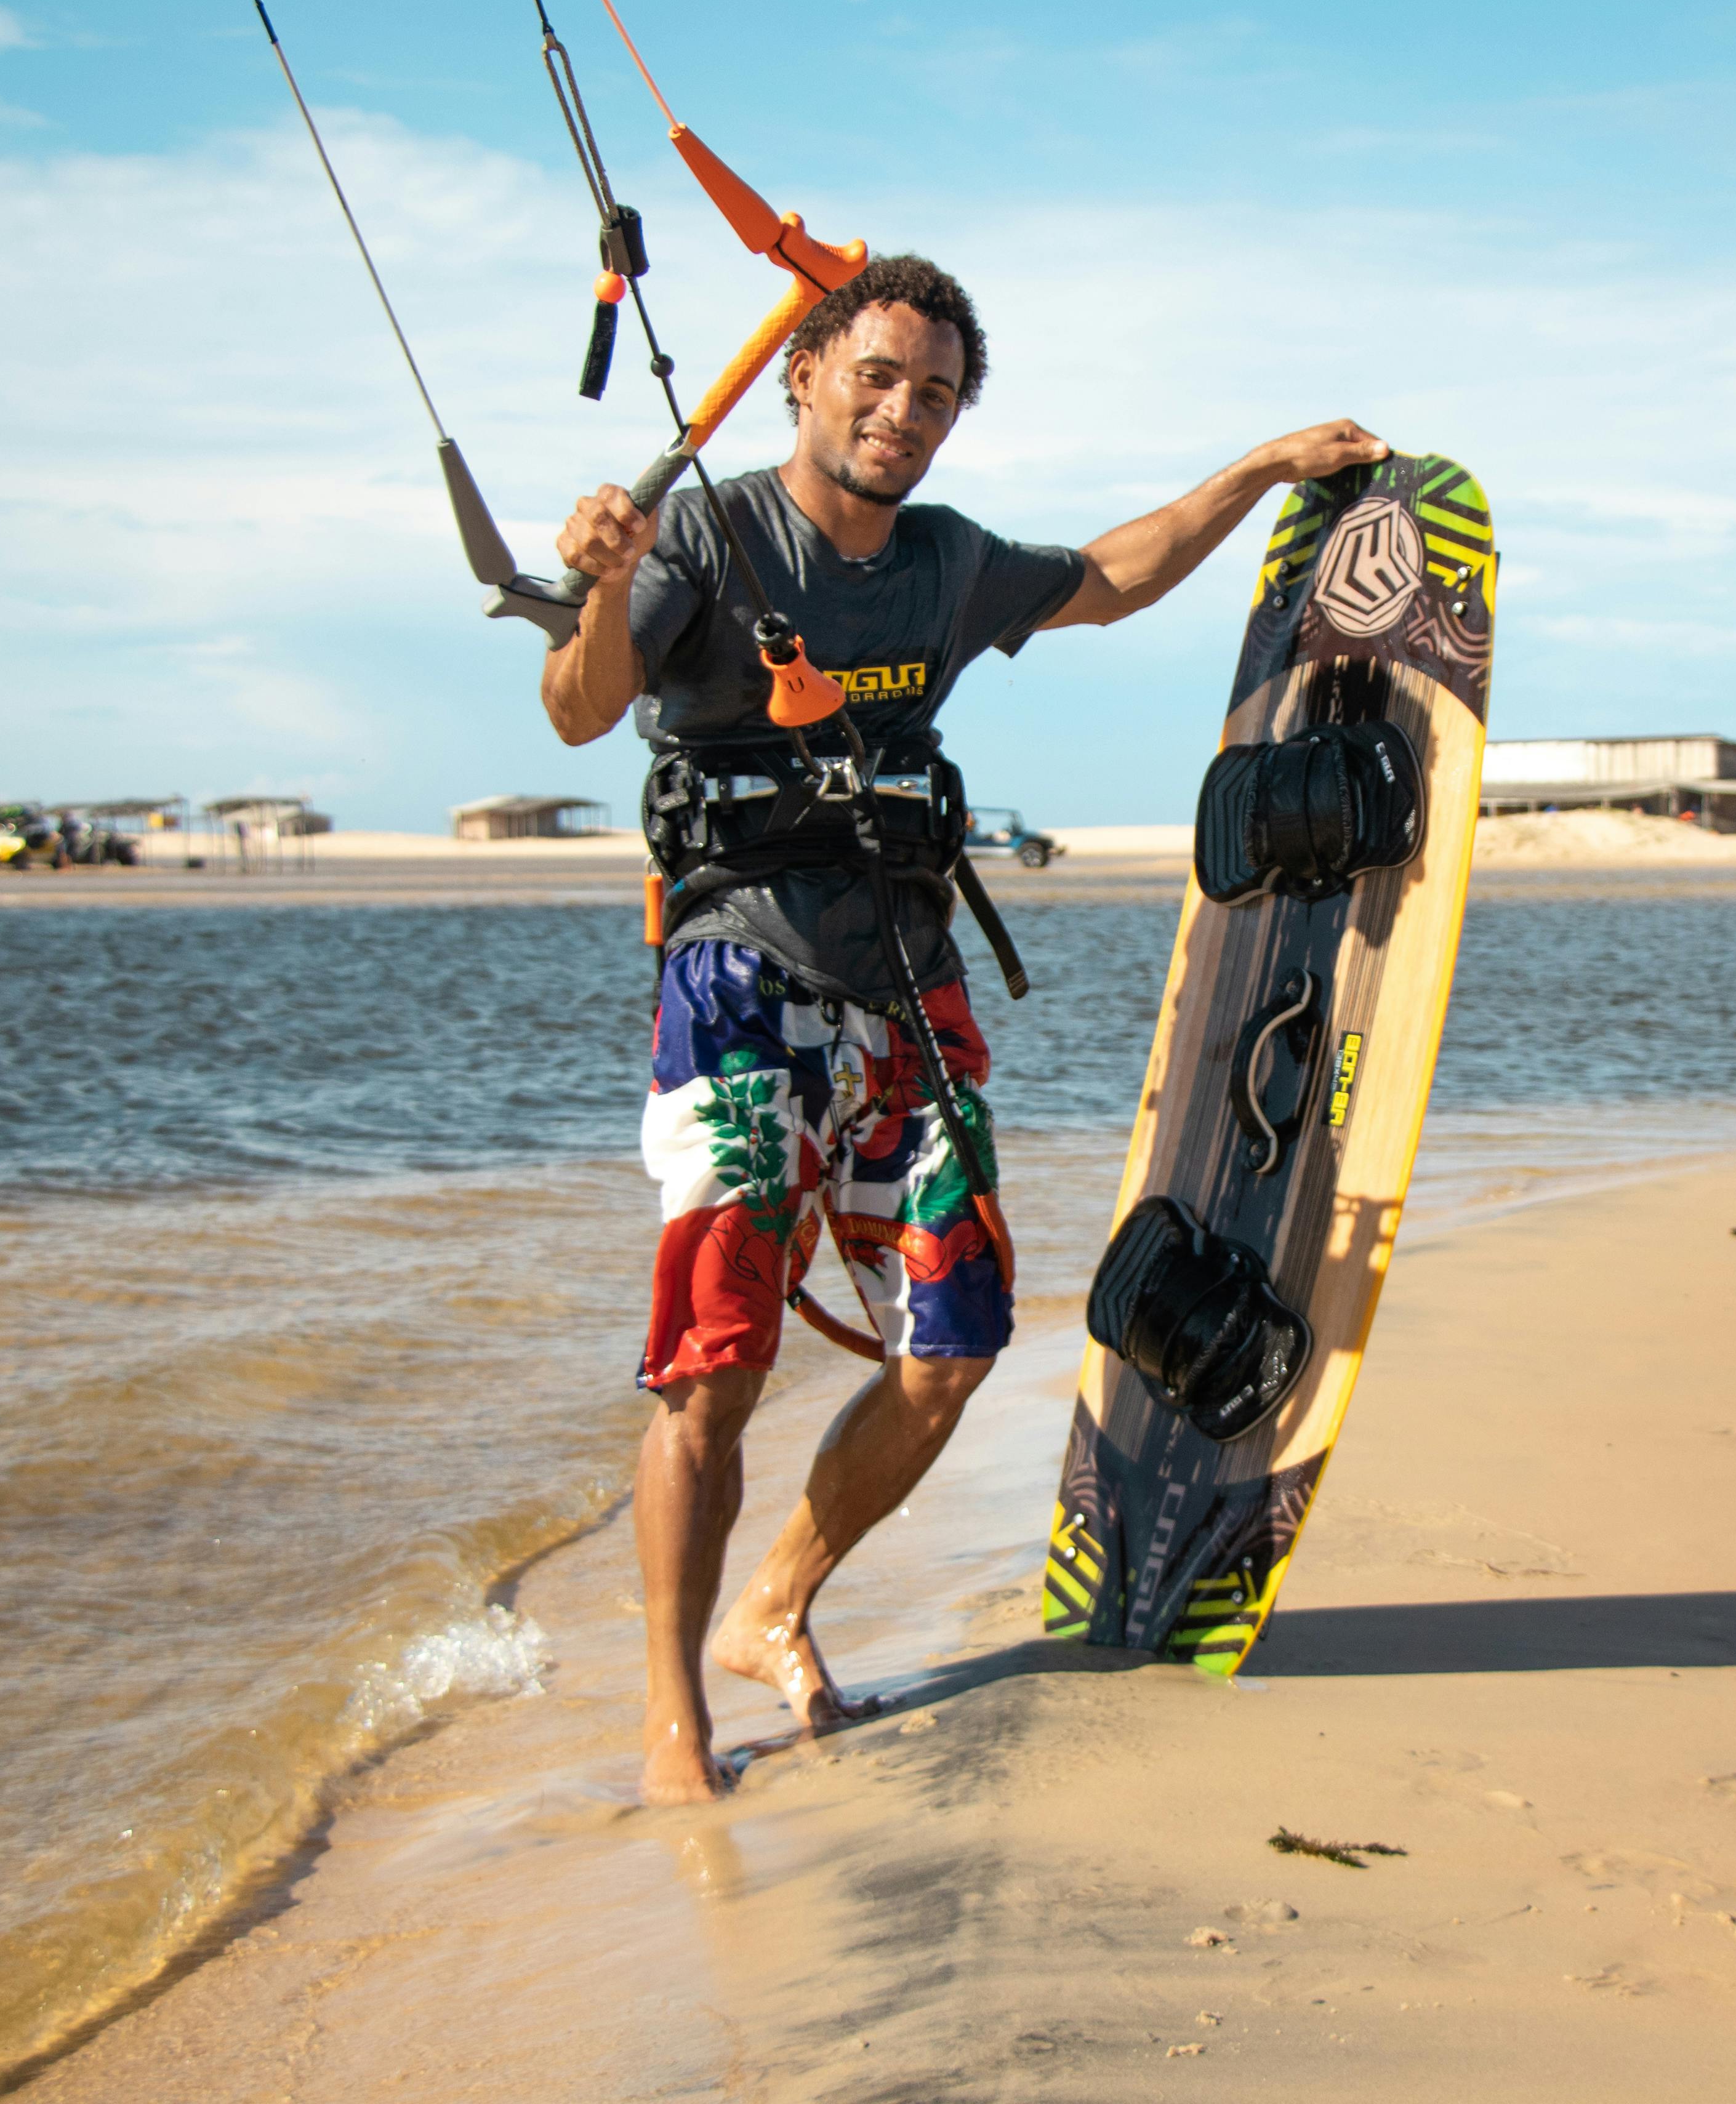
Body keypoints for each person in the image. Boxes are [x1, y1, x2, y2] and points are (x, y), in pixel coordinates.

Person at [540, 252, 1379, 1803]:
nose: (901, 410)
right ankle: (672, 1716)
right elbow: (580, 706)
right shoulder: (710, 534)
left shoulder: (943, 561)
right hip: (739, 987)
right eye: (875, 375)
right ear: (805, 372)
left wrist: (1262, 468)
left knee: (956, 1340)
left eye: (934, 392)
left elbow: (1114, 575)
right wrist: (603, 572)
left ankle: (774, 1600)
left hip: (906, 988)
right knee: (712, 1369)